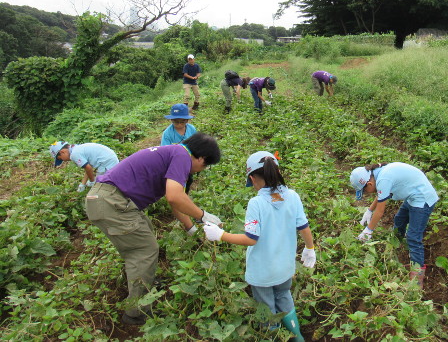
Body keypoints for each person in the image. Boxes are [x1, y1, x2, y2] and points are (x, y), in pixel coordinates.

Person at [85, 132, 222, 325]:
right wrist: (202, 215)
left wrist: (191, 228)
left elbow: (175, 200)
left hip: (106, 199)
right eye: (205, 166)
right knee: (144, 250)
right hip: (112, 202)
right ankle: (136, 311)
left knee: (144, 233)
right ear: (201, 158)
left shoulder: (174, 152)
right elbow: (174, 197)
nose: (201, 170)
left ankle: (144, 282)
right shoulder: (182, 155)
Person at [203, 151, 315, 341]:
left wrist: (221, 235)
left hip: (263, 272)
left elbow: (251, 239)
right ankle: (298, 338)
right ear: (277, 171)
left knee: (266, 308)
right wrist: (310, 248)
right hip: (285, 267)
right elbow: (303, 226)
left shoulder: (256, 203)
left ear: (252, 178)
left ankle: (272, 336)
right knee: (284, 295)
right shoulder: (292, 196)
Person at [350, 162, 439, 288]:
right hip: (413, 195)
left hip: (422, 198)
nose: (366, 194)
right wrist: (369, 210)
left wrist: (368, 230)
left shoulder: (383, 179)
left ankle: (416, 283)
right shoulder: (377, 174)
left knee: (413, 237)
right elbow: (380, 195)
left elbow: (380, 211)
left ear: (369, 184)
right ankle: (398, 250)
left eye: (364, 191)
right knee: (399, 220)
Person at [49, 141, 119, 192]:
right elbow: (88, 168)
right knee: (105, 183)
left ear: (62, 152)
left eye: (61, 159)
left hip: (106, 162)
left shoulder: (74, 154)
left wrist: (92, 181)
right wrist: (83, 184)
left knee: (101, 187)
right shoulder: (76, 148)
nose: (63, 161)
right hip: (109, 159)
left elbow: (88, 168)